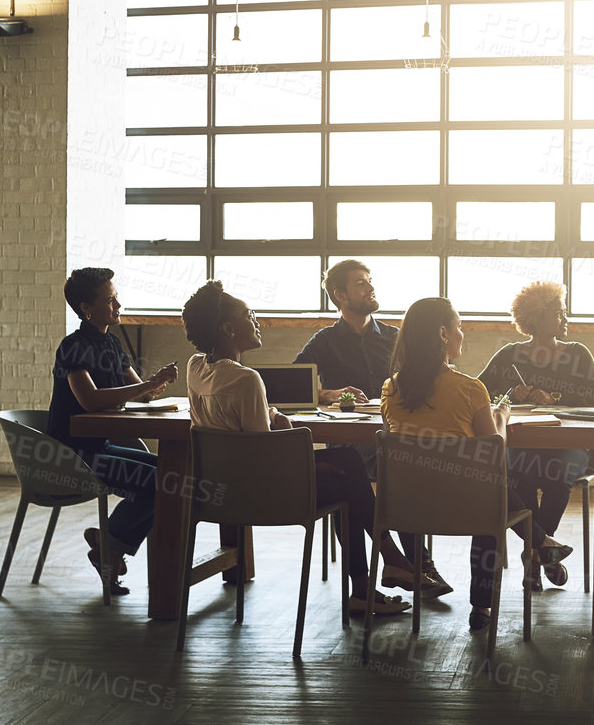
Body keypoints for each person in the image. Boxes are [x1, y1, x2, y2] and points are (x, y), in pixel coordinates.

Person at [180, 280, 407, 617]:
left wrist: (273, 418)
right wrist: (295, 443)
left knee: (345, 460)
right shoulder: (246, 379)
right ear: (228, 328)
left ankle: (377, 574)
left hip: (221, 490)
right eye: (249, 315)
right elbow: (268, 460)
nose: (256, 320)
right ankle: (386, 563)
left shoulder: (196, 367)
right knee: (348, 475)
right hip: (264, 495)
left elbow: (242, 426)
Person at [382, 297, 562, 632]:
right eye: (459, 327)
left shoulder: (390, 389)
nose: (462, 334)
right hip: (466, 507)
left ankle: (541, 542)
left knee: (485, 488)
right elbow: (494, 456)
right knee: (490, 490)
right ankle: (482, 607)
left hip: (406, 509)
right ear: (442, 334)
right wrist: (502, 418)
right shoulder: (470, 389)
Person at [295, 259, 449, 597]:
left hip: (393, 435)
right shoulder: (324, 341)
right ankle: (400, 571)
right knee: (347, 473)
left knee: (403, 467)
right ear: (340, 295)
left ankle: (417, 565)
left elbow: (429, 377)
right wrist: (327, 393)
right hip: (350, 441)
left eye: (369, 281)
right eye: (360, 283)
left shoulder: (395, 337)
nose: (370, 287)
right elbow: (291, 384)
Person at [47, 266, 178, 596]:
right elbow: (89, 400)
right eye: (110, 300)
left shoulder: (111, 344)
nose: (118, 306)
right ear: (86, 309)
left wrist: (157, 381)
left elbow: (141, 391)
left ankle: (109, 544)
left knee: (170, 475)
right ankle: (110, 546)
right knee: (161, 483)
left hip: (99, 446)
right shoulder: (73, 347)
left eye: (116, 298)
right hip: (72, 455)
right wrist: (145, 386)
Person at [477, 280, 594, 591]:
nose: (565, 321)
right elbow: (477, 392)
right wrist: (510, 393)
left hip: (568, 445)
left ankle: (533, 553)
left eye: (564, 314)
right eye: (559, 315)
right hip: (522, 441)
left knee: (557, 475)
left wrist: (555, 398)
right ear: (535, 319)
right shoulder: (509, 355)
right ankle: (543, 549)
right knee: (510, 476)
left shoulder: (577, 353)